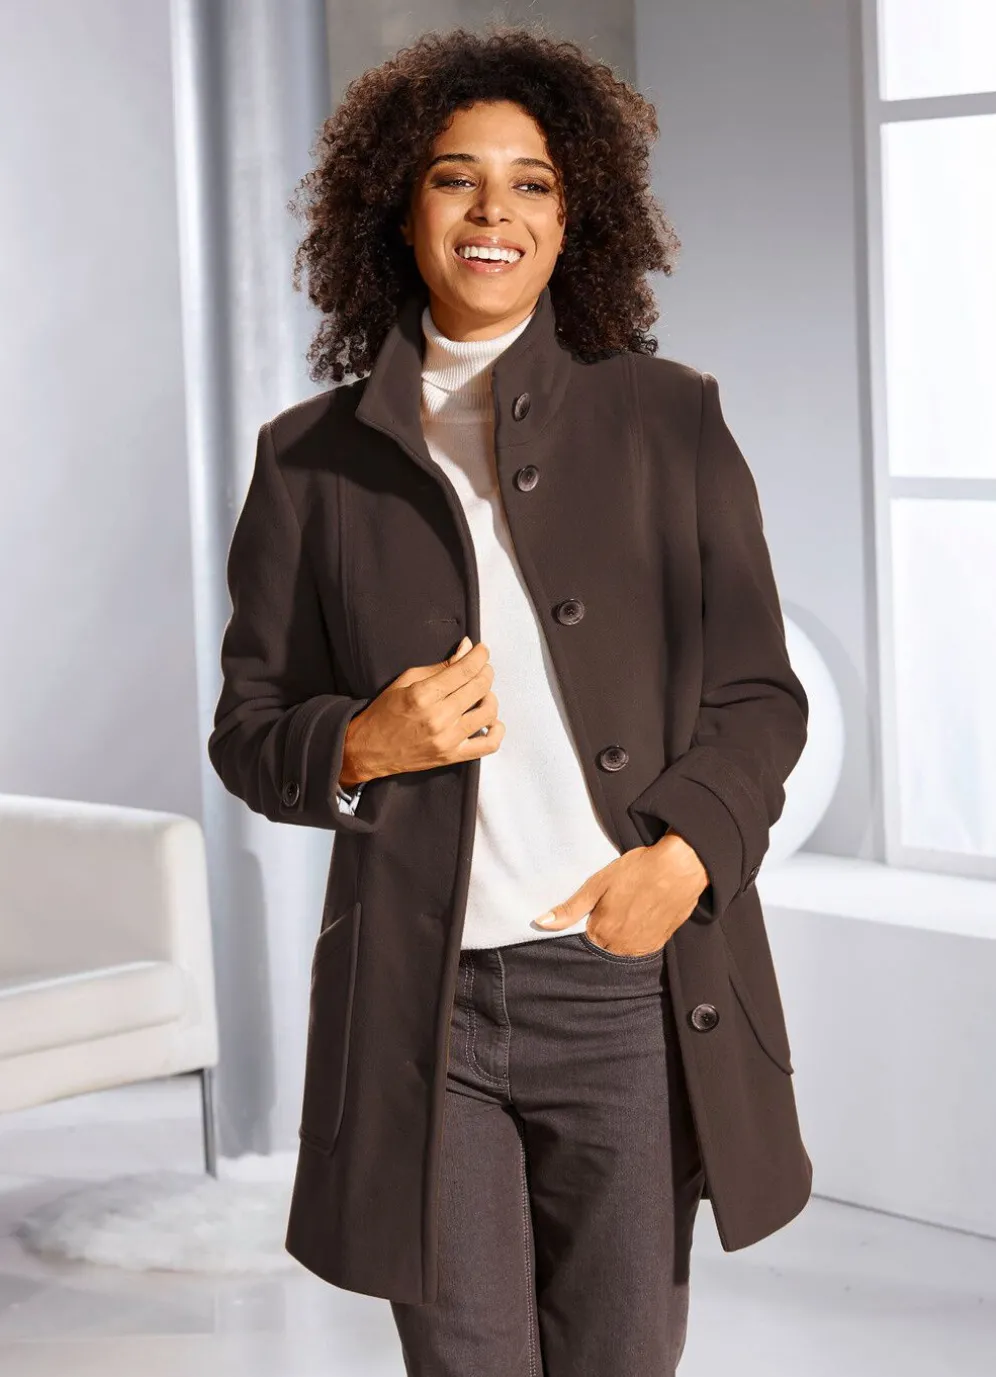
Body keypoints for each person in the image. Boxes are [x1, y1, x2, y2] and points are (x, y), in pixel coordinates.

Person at [208, 22, 811, 1377]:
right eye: (455, 178)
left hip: (623, 989)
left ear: (573, 217)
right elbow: (248, 728)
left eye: (532, 182)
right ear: (397, 209)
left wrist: (685, 859)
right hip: (419, 1012)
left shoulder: (668, 419)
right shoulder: (308, 461)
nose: (495, 212)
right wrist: (358, 741)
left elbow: (760, 696)